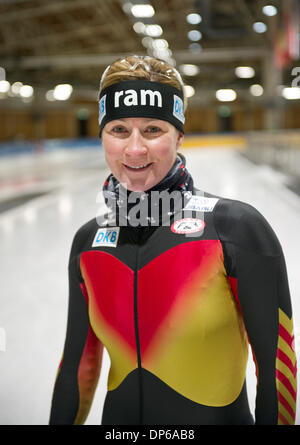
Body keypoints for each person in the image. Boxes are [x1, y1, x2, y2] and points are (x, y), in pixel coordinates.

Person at [49, 55, 297, 425]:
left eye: (153, 130)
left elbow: (278, 373)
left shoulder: (236, 229)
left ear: (179, 135)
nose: (134, 150)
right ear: (101, 135)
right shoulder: (88, 243)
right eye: (118, 130)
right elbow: (77, 368)